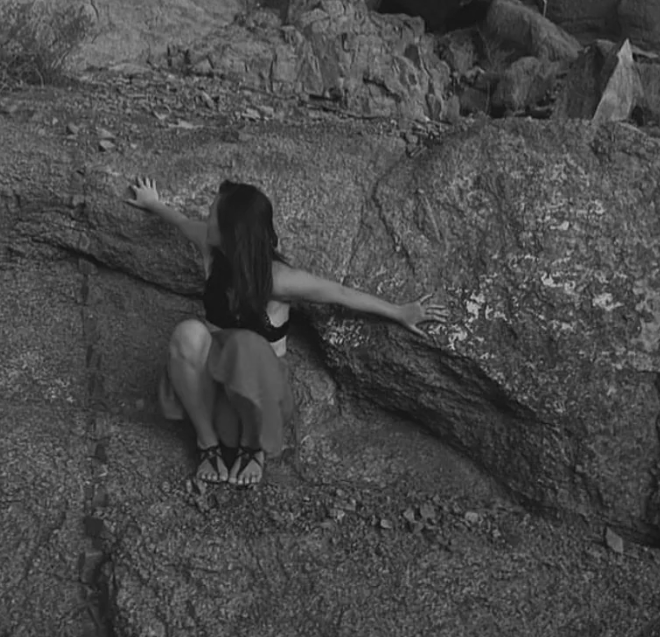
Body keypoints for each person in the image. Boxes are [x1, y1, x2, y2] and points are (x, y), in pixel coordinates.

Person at [127, 176, 447, 488]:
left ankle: (254, 450)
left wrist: (400, 311)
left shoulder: (279, 279)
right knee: (187, 333)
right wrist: (154, 204)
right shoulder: (212, 249)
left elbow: (340, 293)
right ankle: (207, 444)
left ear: (232, 233)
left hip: (258, 393)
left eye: (212, 215)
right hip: (215, 383)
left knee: (247, 345)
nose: (205, 218)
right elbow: (181, 222)